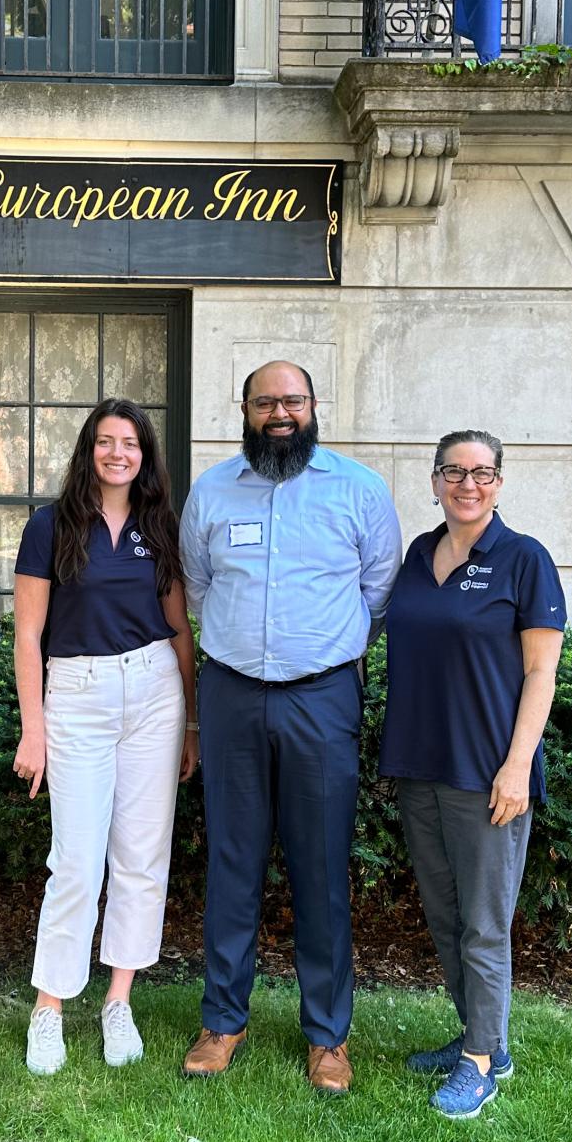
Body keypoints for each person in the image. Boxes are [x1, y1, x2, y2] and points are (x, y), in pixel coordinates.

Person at [178, 359, 402, 1093]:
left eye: (293, 399)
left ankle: (328, 1036)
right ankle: (222, 1020)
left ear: (313, 406)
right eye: (265, 400)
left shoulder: (359, 490)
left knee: (321, 869)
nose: (281, 412)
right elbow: (200, 587)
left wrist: (321, 653)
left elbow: (378, 590)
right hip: (232, 696)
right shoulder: (211, 491)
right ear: (243, 409)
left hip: (323, 699)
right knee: (233, 863)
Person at [380, 429, 566, 1122]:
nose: (468, 484)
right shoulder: (418, 556)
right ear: (434, 480)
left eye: (482, 472)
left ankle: (482, 1063)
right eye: (454, 471)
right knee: (445, 914)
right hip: (418, 763)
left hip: (488, 770)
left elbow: (541, 671)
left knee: (484, 924)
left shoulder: (524, 560)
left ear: (499, 481)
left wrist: (518, 766)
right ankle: (482, 1035)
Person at [11, 399, 199, 1075]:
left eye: (130, 443)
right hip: (79, 697)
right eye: (105, 441)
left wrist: (192, 721)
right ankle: (49, 1006)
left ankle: (119, 999)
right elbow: (28, 634)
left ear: (145, 455)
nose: (117, 453)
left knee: (141, 857)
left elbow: (179, 630)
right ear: (88, 449)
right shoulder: (50, 526)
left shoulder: (159, 527)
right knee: (77, 861)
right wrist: (34, 728)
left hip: (154, 693)